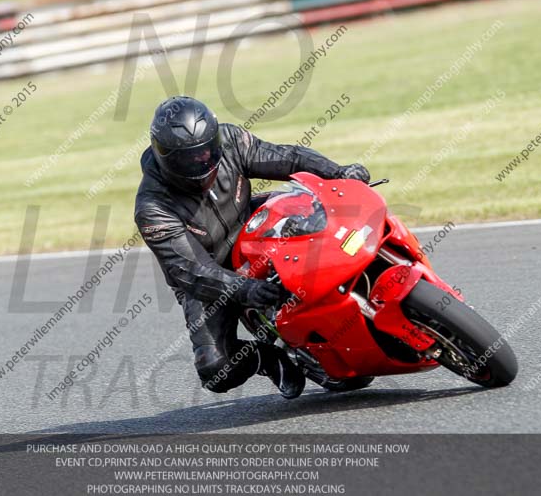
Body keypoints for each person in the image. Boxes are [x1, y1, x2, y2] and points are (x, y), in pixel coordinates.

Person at [134, 96, 370, 399]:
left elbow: (288, 158)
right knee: (215, 370)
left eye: (207, 150)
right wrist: (243, 289)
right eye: (188, 158)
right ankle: (267, 358)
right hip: (210, 272)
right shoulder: (153, 207)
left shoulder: (231, 142)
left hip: (254, 224)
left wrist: (338, 172)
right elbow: (190, 270)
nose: (201, 161)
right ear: (164, 156)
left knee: (312, 211)